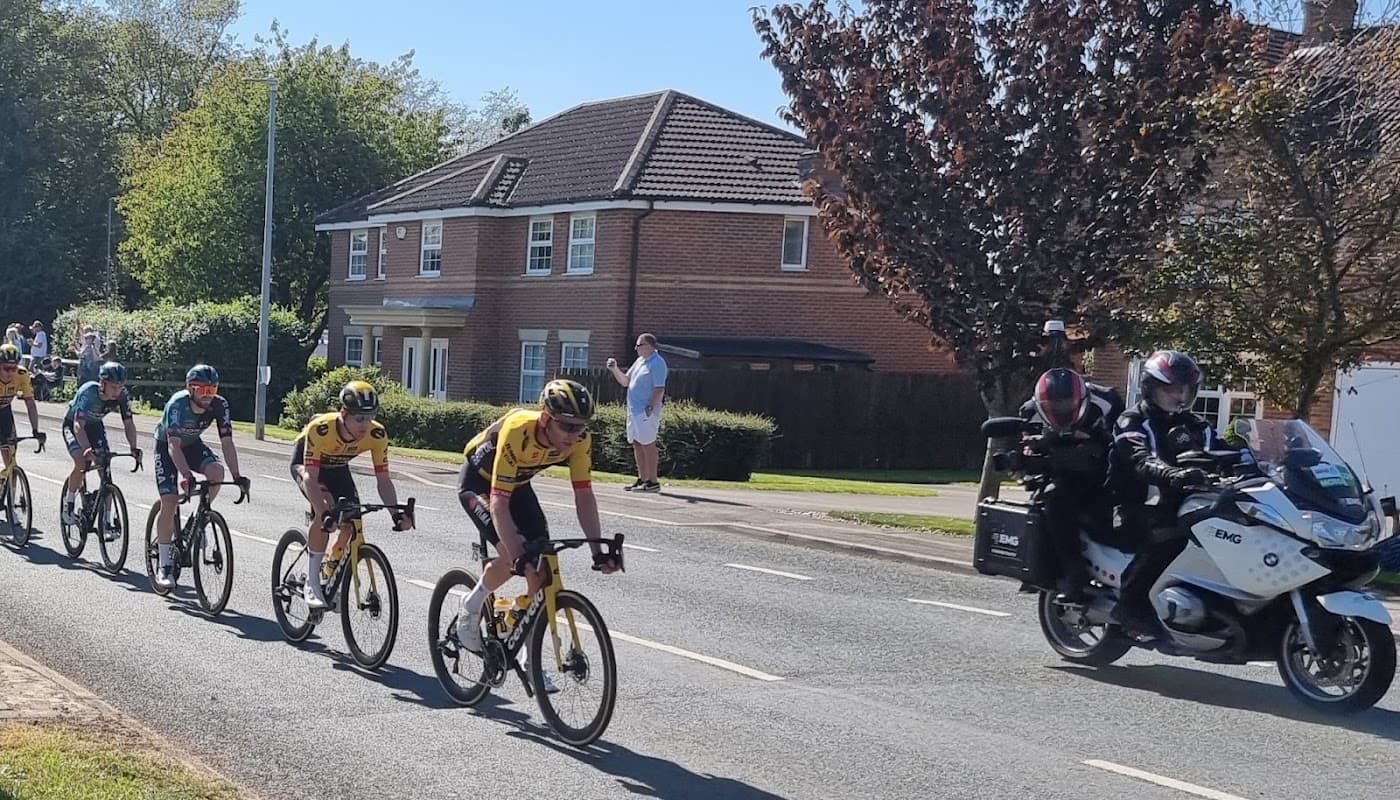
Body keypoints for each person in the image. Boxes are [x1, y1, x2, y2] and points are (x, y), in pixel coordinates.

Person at [452, 379, 620, 658]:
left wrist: (597, 551)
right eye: (566, 425)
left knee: (541, 567)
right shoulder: (518, 430)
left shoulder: (580, 441)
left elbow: (584, 496)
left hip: (518, 486)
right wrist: (517, 554)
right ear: (545, 418)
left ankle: (530, 652)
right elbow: (498, 503)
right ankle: (471, 606)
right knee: (512, 555)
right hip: (479, 484)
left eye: (581, 427)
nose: (573, 435)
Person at [1109, 350, 1226, 638]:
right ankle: (1130, 605)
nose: (1180, 396)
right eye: (1172, 388)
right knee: (1168, 536)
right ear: (1150, 387)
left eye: (1186, 389)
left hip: (1182, 503)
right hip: (1134, 504)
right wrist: (1173, 473)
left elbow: (1224, 450)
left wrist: (1268, 463)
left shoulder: (1194, 424)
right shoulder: (1132, 421)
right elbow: (1140, 458)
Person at [289, 380, 414, 610]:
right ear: (343, 414)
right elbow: (310, 477)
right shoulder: (322, 428)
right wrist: (324, 512)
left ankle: (330, 572)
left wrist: (395, 514)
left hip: (338, 468)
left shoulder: (377, 434)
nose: (365, 425)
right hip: (308, 467)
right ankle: (312, 580)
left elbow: (383, 481)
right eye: (359, 418)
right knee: (326, 508)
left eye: (370, 416)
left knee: (351, 522)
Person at [1018, 367, 1123, 600]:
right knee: (1054, 497)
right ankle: (1072, 573)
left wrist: (1096, 446)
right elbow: (1028, 459)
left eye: (1067, 405)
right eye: (1054, 406)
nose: (1062, 410)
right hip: (1063, 477)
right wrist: (1034, 458)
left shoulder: (1107, 402)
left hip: (1106, 472)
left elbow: (1124, 442)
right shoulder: (1030, 412)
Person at [151, 365, 248, 590]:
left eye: (212, 388)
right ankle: (164, 565)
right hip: (167, 446)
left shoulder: (220, 405)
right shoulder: (177, 404)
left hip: (192, 444)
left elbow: (227, 442)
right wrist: (186, 475)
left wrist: (237, 475)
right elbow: (174, 446)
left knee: (216, 472)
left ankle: (198, 520)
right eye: (202, 389)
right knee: (170, 500)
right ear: (190, 388)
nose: (208, 394)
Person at [61, 362, 141, 526]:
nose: (117, 391)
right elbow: (78, 425)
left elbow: (128, 423)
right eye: (113, 387)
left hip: (95, 426)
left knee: (105, 469)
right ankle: (68, 504)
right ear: (102, 383)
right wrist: (86, 448)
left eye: (120, 387)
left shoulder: (122, 395)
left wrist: (133, 447)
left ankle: (106, 520)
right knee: (81, 462)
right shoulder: (89, 391)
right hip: (74, 424)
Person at [606, 333, 667, 492]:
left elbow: (659, 388)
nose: (636, 348)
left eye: (639, 345)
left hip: (646, 411)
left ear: (649, 346)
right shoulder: (640, 362)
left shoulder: (657, 363)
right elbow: (626, 381)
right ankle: (642, 478)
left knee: (648, 444)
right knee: (637, 443)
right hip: (633, 410)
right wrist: (614, 369)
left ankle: (653, 481)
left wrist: (651, 406)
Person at [0, 344, 44, 484]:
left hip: (4, 411)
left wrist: (35, 430)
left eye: (13, 368)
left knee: (11, 462)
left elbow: (30, 404)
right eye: (6, 368)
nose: (10, 372)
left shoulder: (22, 375)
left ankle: (10, 497)